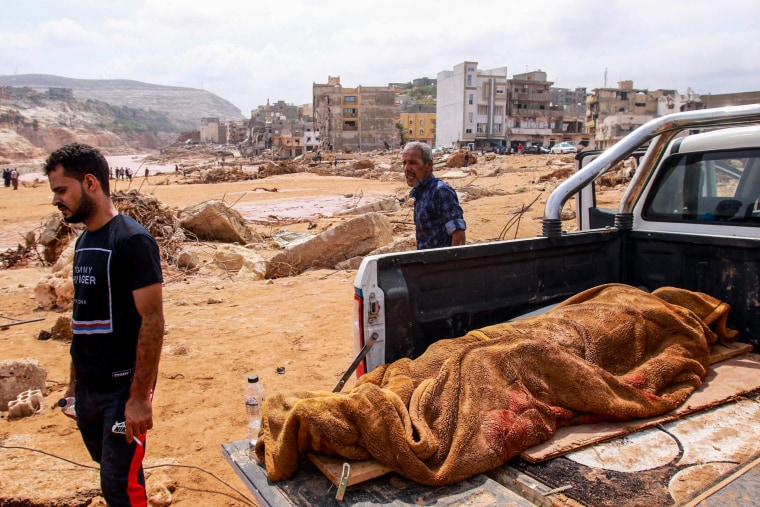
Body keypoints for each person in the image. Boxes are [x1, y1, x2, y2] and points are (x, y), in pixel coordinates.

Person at [43, 143, 165, 506]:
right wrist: (72, 386)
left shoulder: (133, 240)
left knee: (120, 489)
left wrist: (140, 397)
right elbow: (81, 317)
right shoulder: (83, 242)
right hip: (88, 390)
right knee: (110, 472)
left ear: (91, 182)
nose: (56, 201)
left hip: (122, 389)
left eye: (61, 190)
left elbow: (153, 321)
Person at [402, 141, 466, 249]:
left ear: (428, 165)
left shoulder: (441, 192)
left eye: (413, 163)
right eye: (404, 163)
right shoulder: (420, 192)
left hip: (440, 264)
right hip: (426, 264)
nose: (406, 169)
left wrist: (452, 264)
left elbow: (459, 235)